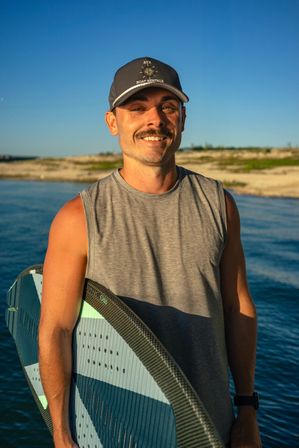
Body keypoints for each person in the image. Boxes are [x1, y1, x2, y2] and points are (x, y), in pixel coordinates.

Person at [39, 56, 261, 447]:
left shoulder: (219, 203)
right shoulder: (78, 218)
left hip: (211, 426)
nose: (155, 120)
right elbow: (56, 330)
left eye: (168, 106)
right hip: (119, 428)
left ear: (183, 119)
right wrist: (61, 433)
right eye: (137, 108)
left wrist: (247, 408)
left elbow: (237, 308)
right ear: (112, 123)